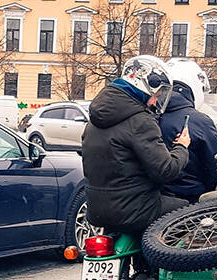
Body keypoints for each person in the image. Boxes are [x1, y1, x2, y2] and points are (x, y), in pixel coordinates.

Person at [81, 55, 191, 236]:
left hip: (97, 210)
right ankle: (160, 264)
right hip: (135, 211)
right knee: (187, 209)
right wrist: (182, 147)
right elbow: (166, 170)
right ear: (145, 88)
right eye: (156, 95)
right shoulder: (141, 121)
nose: (155, 101)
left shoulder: (93, 121)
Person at [156, 62, 217, 204]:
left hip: (152, 202)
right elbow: (215, 167)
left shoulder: (146, 116)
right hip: (191, 204)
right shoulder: (200, 121)